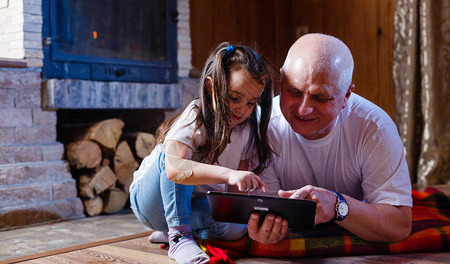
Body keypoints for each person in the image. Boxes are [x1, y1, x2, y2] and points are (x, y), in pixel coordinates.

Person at [247, 33, 412, 244]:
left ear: (346, 97)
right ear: (281, 80)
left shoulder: (374, 127)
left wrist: (337, 205)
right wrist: (262, 228)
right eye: (294, 92)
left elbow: (399, 225)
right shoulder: (261, 125)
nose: (303, 109)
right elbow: (263, 212)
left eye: (320, 97)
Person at [129, 42, 274, 263]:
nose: (242, 109)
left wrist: (243, 215)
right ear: (210, 87)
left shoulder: (246, 129)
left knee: (236, 227)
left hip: (192, 206)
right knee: (174, 163)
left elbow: (235, 193)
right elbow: (174, 170)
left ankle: (175, 230)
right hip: (151, 203)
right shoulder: (194, 117)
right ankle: (178, 236)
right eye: (234, 98)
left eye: (251, 102)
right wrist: (227, 174)